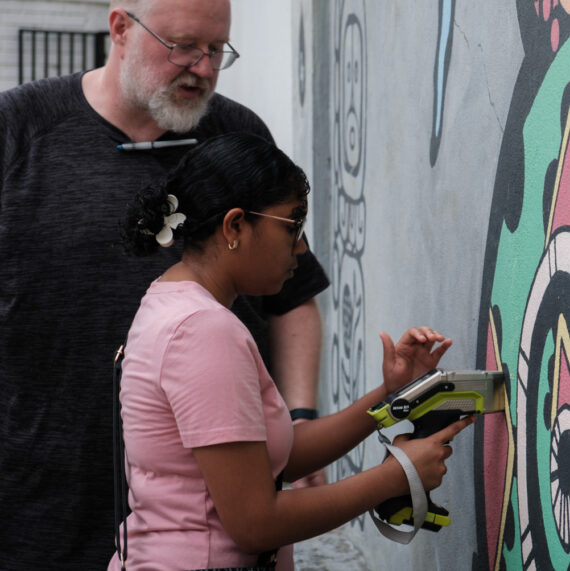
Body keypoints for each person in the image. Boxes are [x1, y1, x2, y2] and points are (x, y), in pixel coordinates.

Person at [0, 0, 328, 568]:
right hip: (41, 500)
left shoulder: (239, 139)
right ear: (120, 27)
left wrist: (302, 416)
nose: (202, 69)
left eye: (218, 50)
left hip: (212, 507)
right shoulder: (18, 129)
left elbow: (293, 300)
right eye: (182, 46)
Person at [112, 133, 472, 570]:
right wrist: (396, 476)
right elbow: (254, 523)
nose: (301, 247)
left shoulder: (172, 302)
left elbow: (269, 457)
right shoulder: (202, 330)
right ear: (235, 227)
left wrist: (390, 395)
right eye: (293, 224)